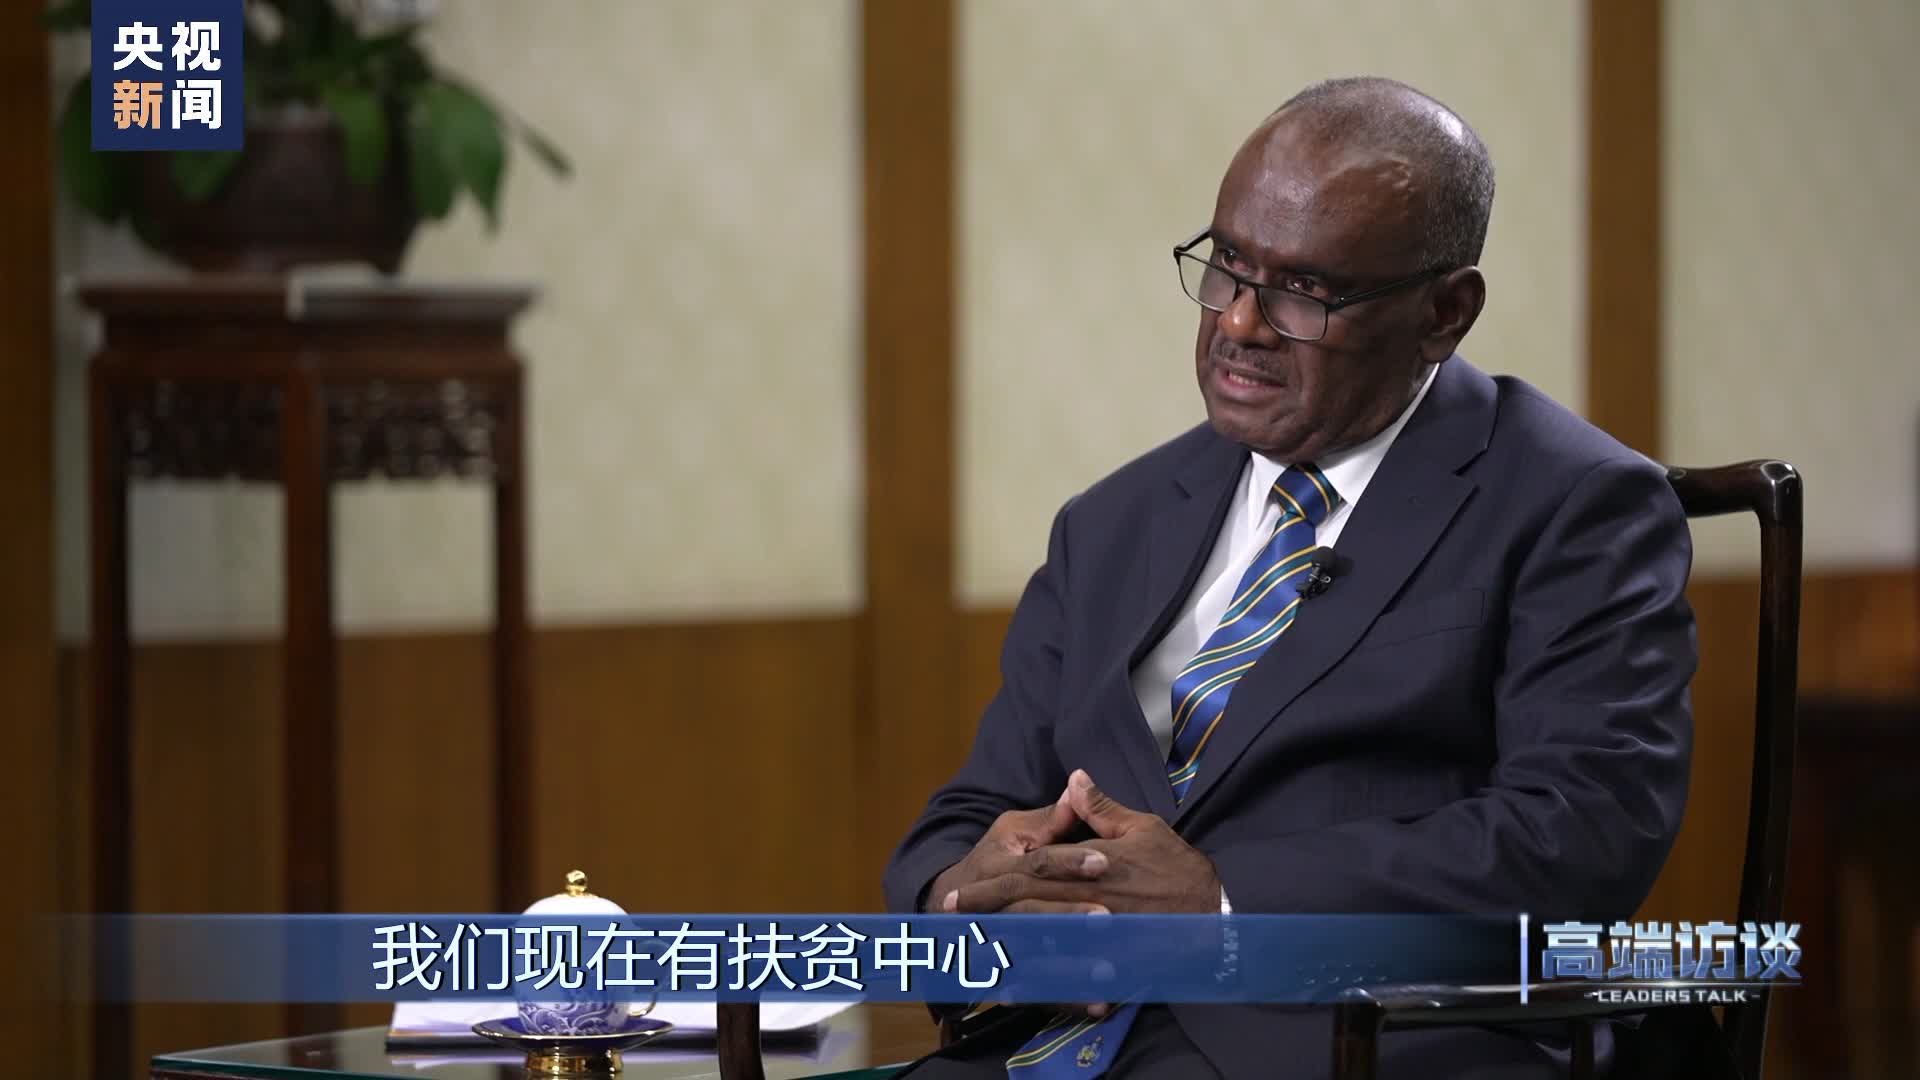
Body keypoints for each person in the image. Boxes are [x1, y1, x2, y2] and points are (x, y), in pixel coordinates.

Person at [882, 76, 1698, 1079]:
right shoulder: (1112, 523)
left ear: (1445, 313)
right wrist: (966, 896)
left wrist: (1222, 902)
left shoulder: (1574, 504)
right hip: (1064, 1034)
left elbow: (1582, 831)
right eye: (1228, 266)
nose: (1239, 323)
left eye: (1303, 292)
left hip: (1355, 1038)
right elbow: (967, 816)